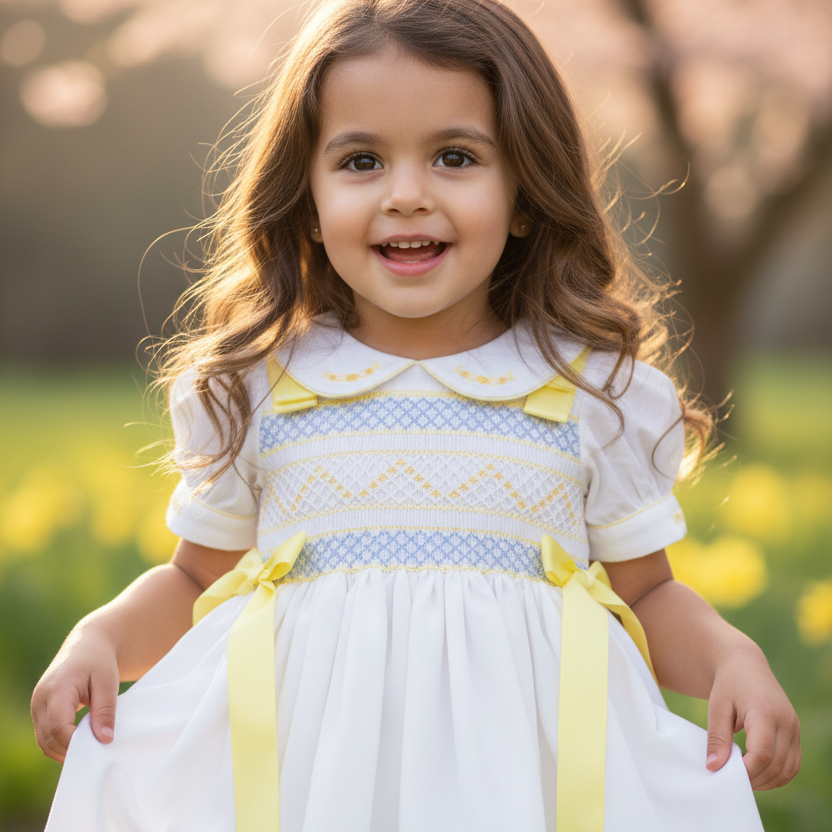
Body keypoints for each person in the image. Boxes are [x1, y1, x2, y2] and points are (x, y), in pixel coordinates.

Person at [33, 0, 801, 829]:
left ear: (524, 196)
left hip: (518, 783)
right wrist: (102, 638)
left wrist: (731, 655)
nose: (406, 195)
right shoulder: (264, 384)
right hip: (310, 779)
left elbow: (647, 596)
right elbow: (196, 581)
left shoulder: (588, 392)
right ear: (308, 201)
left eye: (455, 157)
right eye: (361, 160)